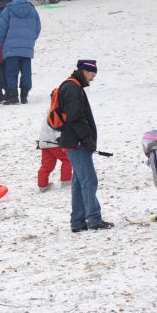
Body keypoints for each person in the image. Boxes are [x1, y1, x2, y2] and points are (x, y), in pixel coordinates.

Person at [57, 59, 113, 232]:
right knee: (89, 180)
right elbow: (76, 117)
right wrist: (87, 139)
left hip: (73, 141)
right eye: (92, 74)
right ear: (84, 71)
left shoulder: (72, 86)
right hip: (76, 142)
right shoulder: (73, 88)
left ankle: (78, 222)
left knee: (79, 182)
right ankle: (94, 219)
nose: (93, 78)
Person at [0, 0, 41, 105]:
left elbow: (2, 29)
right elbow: (37, 28)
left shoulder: (7, 10)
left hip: (11, 48)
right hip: (27, 48)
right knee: (26, 71)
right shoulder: (32, 10)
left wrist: (1, 43)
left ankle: (13, 96)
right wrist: (31, 40)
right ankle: (24, 95)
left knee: (11, 71)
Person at [36, 116, 71, 193]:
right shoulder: (57, 115)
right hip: (54, 143)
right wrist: (62, 141)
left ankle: (43, 186)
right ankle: (66, 182)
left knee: (47, 165)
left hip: (44, 144)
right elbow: (58, 131)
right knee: (67, 160)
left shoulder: (46, 117)